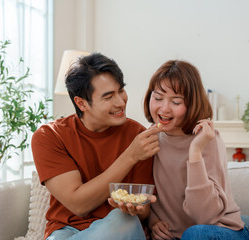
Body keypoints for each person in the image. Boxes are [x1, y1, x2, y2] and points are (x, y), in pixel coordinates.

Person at [32, 53, 163, 240]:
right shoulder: (50, 137)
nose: (120, 102)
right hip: (67, 230)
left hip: (118, 227)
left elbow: (144, 211)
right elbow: (79, 205)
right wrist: (130, 156)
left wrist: (136, 209)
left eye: (121, 90)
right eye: (109, 97)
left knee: (123, 219)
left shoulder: (138, 136)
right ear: (81, 103)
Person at [143, 60, 249, 240]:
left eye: (176, 101)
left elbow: (204, 217)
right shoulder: (150, 139)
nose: (164, 108)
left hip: (221, 232)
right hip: (176, 237)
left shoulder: (207, 139)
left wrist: (195, 151)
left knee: (196, 234)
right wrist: (154, 223)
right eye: (158, 98)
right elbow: (149, 195)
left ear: (191, 104)